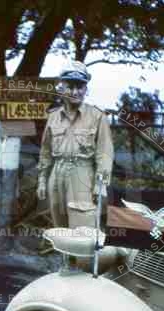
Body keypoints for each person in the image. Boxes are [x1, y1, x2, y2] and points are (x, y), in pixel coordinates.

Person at [37, 61, 114, 227]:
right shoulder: (53, 117)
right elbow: (45, 150)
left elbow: (104, 153)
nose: (75, 92)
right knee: (60, 230)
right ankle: (64, 255)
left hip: (83, 175)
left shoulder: (97, 116)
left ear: (86, 89)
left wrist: (100, 185)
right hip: (56, 175)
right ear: (62, 88)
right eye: (70, 86)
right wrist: (42, 180)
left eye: (80, 87)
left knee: (82, 230)